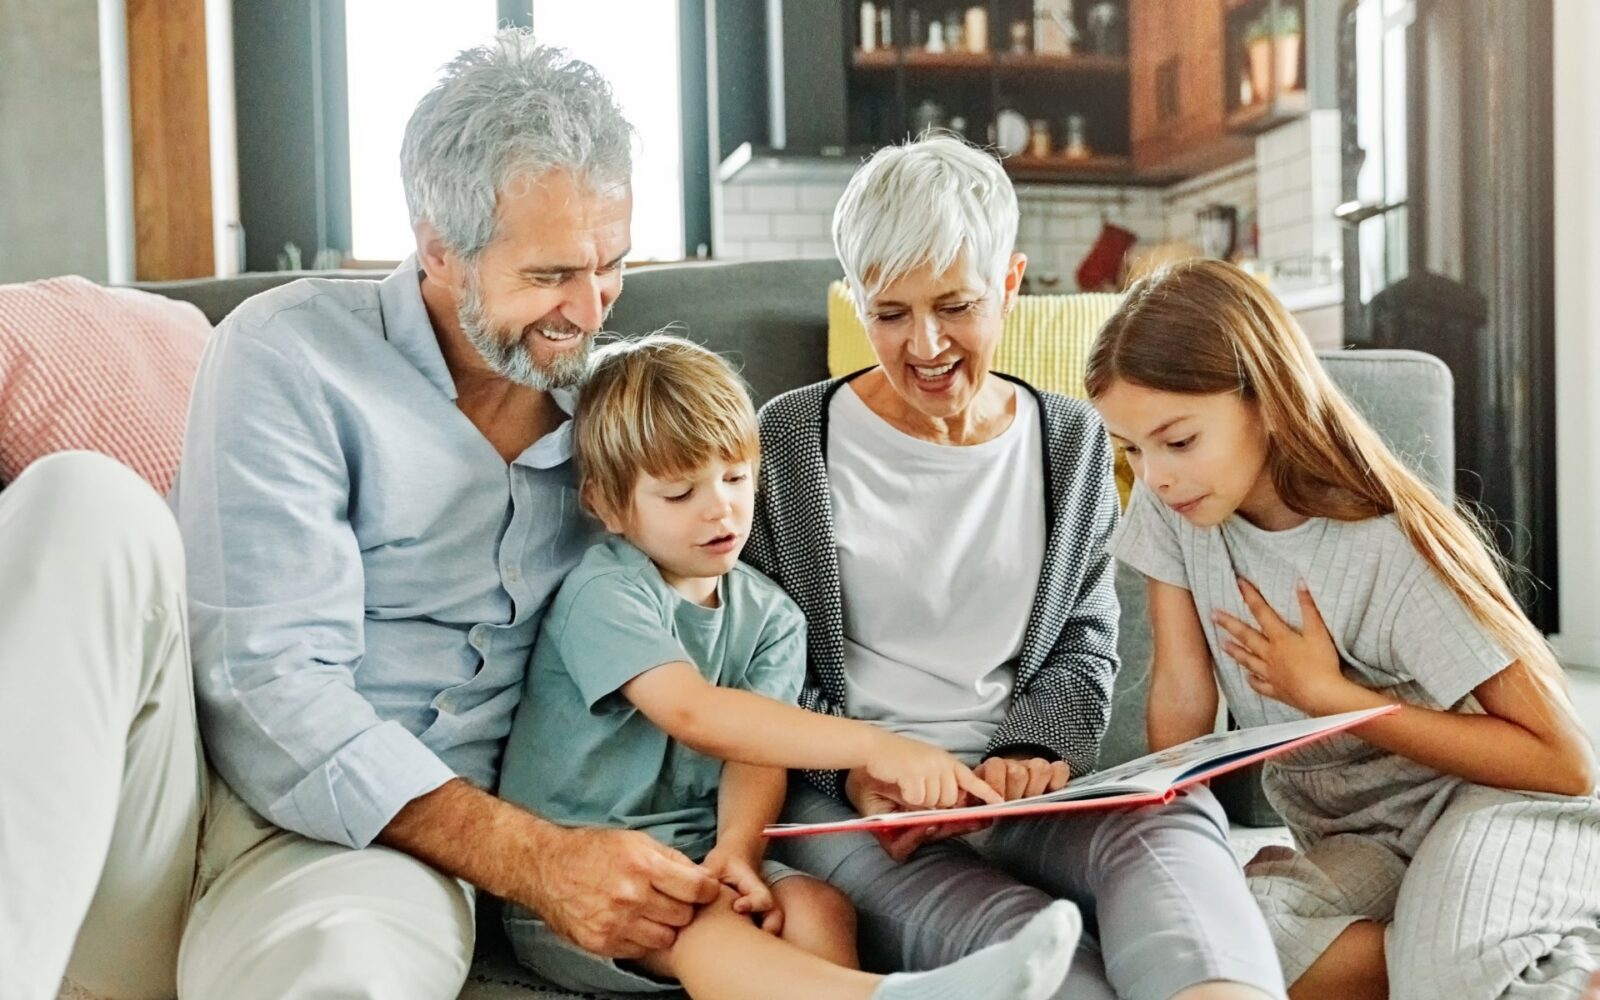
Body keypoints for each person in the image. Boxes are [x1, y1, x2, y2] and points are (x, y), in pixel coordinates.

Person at [0, 31, 731, 1000]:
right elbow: (264, 682)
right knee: (81, 498)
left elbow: (724, 602)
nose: (589, 308)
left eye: (612, 266)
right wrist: (535, 857)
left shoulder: (620, 423)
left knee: (345, 976)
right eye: (550, 275)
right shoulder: (289, 352)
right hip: (155, 812)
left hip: (364, 864)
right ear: (435, 245)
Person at [745, 133, 1287, 1000]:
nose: (924, 344)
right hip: (858, 811)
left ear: (1010, 283)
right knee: (1031, 947)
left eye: (955, 304)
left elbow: (1085, 636)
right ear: (857, 302)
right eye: (890, 313)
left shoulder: (1069, 440)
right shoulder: (784, 442)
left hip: (1015, 795)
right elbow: (752, 667)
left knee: (1174, 823)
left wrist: (1034, 746)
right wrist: (851, 768)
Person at [496, 333, 1080, 1000]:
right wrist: (876, 745)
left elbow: (756, 754)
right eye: (680, 492)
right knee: (705, 925)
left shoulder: (771, 615)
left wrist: (739, 852)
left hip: (698, 854)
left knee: (819, 907)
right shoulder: (609, 590)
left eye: (736, 478)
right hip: (581, 885)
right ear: (605, 504)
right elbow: (693, 713)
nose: (719, 508)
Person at [1087, 257, 1600, 1000]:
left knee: (1448, 971)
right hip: (1358, 840)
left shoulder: (1389, 539)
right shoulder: (1176, 511)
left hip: (1492, 801)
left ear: (1263, 399)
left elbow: (1564, 763)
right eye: (1131, 450)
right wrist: (1168, 843)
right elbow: (1182, 695)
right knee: (1201, 942)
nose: (1157, 476)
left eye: (1177, 440)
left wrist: (1331, 695)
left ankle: (1526, 950)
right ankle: (1485, 951)